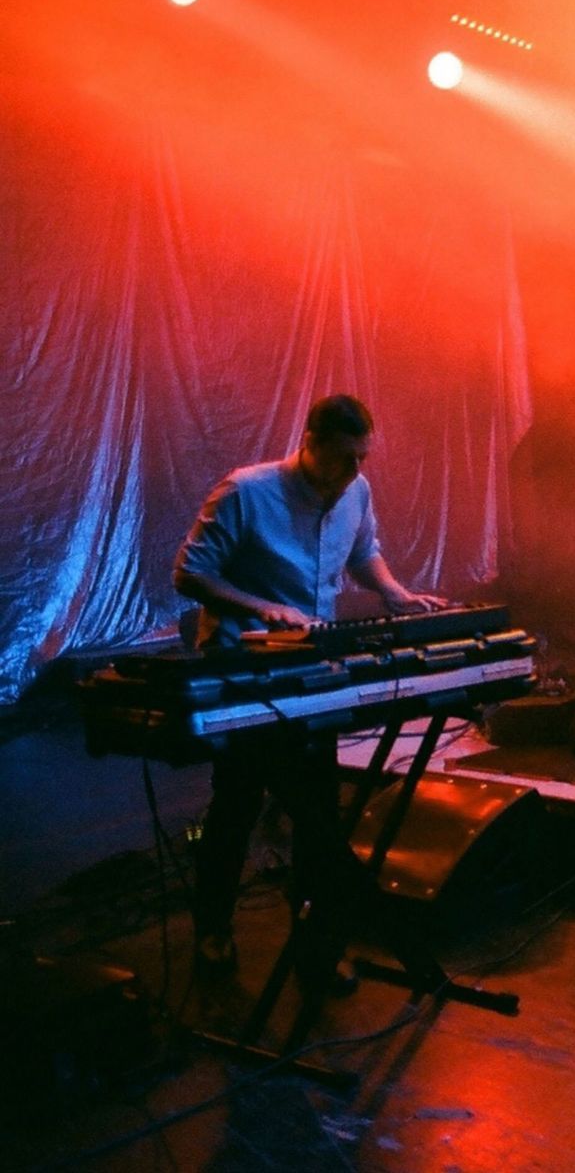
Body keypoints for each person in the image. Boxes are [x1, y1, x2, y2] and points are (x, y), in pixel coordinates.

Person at [174, 394, 444, 986]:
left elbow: (363, 553)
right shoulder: (246, 491)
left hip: (309, 673)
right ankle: (214, 933)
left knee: (318, 814)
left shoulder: (357, 492)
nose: (356, 471)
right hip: (243, 671)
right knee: (237, 808)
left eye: (363, 458)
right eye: (345, 458)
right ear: (311, 442)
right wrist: (264, 608)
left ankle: (315, 944)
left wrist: (394, 591)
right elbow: (189, 572)